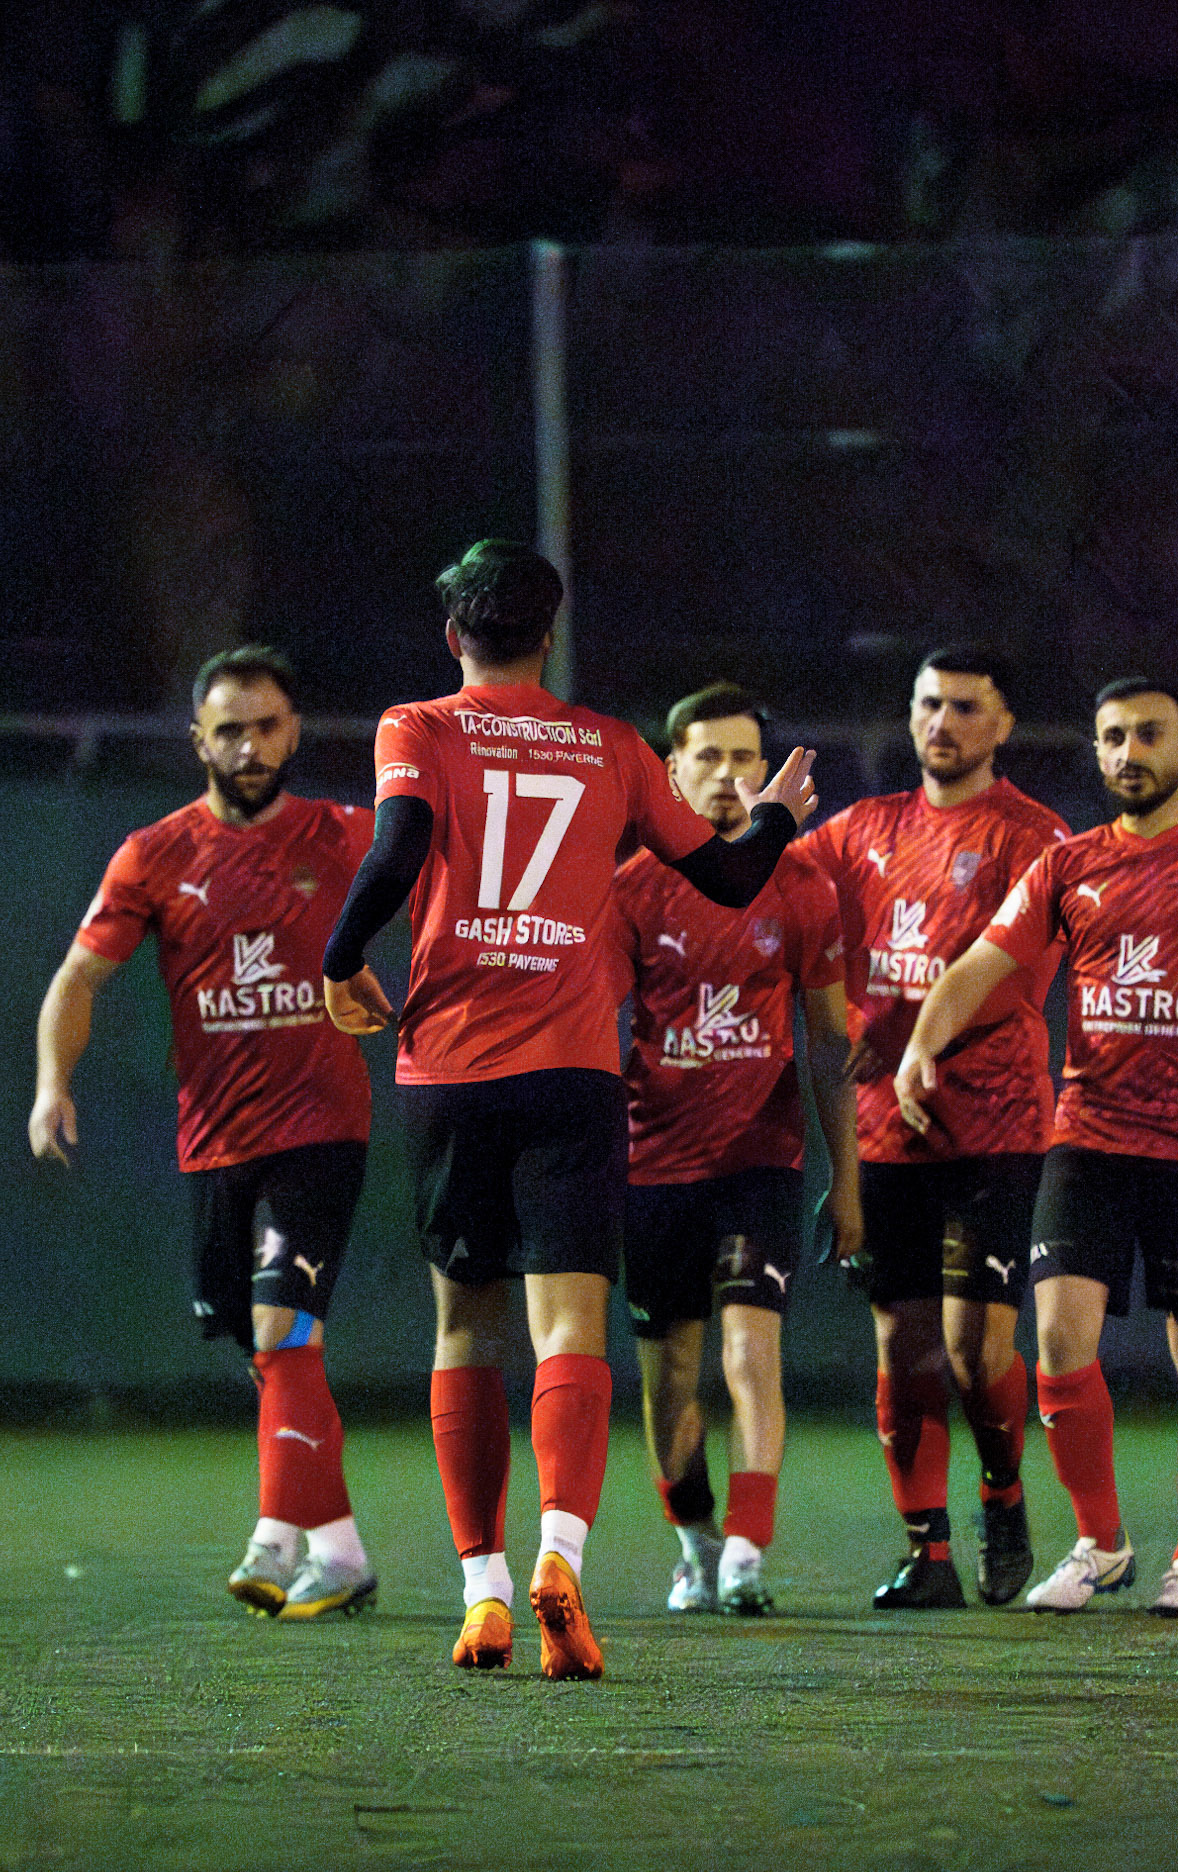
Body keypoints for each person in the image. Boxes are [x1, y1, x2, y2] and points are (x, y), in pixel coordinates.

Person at [321, 540, 816, 1681]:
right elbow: (734, 880)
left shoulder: (418, 726)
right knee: (569, 1333)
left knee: (464, 1330)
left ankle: (483, 1584)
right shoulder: (610, 746)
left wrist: (341, 956)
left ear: (454, 636)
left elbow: (396, 850)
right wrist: (779, 813)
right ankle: (562, 1558)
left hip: (448, 1064)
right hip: (574, 1073)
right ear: (550, 633)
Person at [897, 677, 1178, 1617]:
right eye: (1110, 738)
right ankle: (1100, 1542)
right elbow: (982, 965)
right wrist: (923, 1042)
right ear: (1094, 754)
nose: (1127, 753)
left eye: (1146, 735)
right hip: (1088, 1137)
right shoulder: (1066, 866)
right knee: (1054, 1336)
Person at [29, 647, 378, 1620]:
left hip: (319, 1130)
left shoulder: (344, 834)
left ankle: (275, 1536)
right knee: (273, 1355)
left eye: (267, 725)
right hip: (215, 1143)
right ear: (198, 740)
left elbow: (445, 893)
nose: (251, 745)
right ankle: (341, 1547)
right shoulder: (154, 853)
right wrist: (52, 1082)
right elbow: (75, 980)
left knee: (281, 1329)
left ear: (294, 729)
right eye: (229, 728)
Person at [802, 647, 1069, 1609]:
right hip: (882, 1133)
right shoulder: (858, 831)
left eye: (963, 707)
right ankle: (930, 1554)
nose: (940, 723)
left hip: (992, 1122)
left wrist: (910, 1036)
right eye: (927, 705)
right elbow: (772, 893)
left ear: (1001, 725)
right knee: (902, 1347)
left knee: (970, 1350)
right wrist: (745, 824)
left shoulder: (1033, 836)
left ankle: (1003, 1491)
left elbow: (1020, 978)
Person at [614, 681, 862, 1617]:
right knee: (668, 1374)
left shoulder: (801, 887)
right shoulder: (632, 886)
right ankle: (695, 1545)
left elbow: (831, 1043)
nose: (726, 776)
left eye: (744, 758)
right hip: (653, 1170)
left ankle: (749, 1552)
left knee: (751, 1356)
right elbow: (597, 1028)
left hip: (759, 1165)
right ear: (669, 770)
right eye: (705, 757)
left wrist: (846, 1180)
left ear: (768, 773)